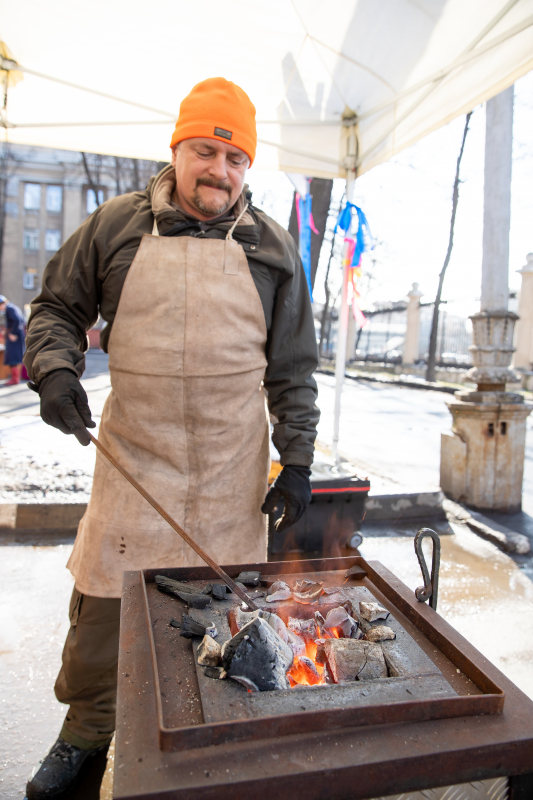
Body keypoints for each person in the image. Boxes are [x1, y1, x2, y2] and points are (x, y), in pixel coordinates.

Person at [23, 77, 320, 799]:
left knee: (221, 630)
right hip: (134, 464)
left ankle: (206, 746)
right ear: (177, 149)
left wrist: (297, 463)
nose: (219, 170)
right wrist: (55, 371)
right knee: (102, 624)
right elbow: (57, 307)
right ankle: (85, 735)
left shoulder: (273, 248)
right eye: (205, 151)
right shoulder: (117, 226)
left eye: (235, 158)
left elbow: (293, 371)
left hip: (229, 475)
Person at [0, 295, 26, 385]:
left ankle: (15, 379)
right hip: (18, 334)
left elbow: (16, 319)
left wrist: (12, 333)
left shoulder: (9, 308)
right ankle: (15, 378)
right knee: (14, 356)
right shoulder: (12, 307)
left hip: (15, 335)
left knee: (13, 356)